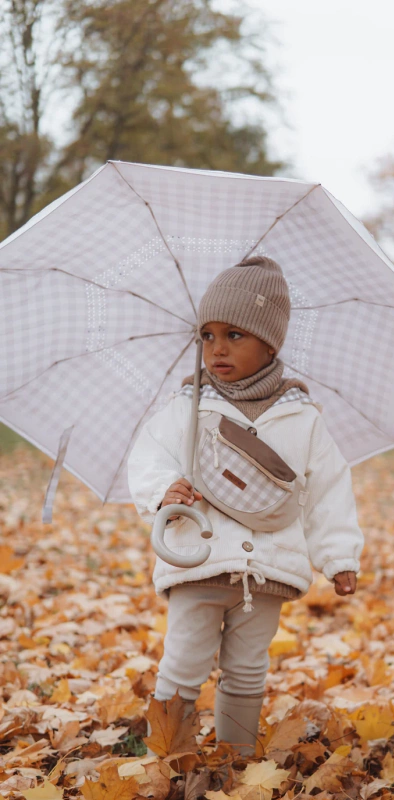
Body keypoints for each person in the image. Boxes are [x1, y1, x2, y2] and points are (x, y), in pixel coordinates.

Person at [128, 256, 364, 755]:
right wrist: (163, 488)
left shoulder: (302, 418)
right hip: (199, 560)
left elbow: (328, 489)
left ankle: (234, 761)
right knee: (183, 660)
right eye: (207, 336)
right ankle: (166, 758)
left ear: (270, 342)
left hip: (268, 568)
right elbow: (148, 456)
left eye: (234, 335)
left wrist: (338, 557)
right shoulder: (188, 407)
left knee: (248, 666)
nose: (217, 349)